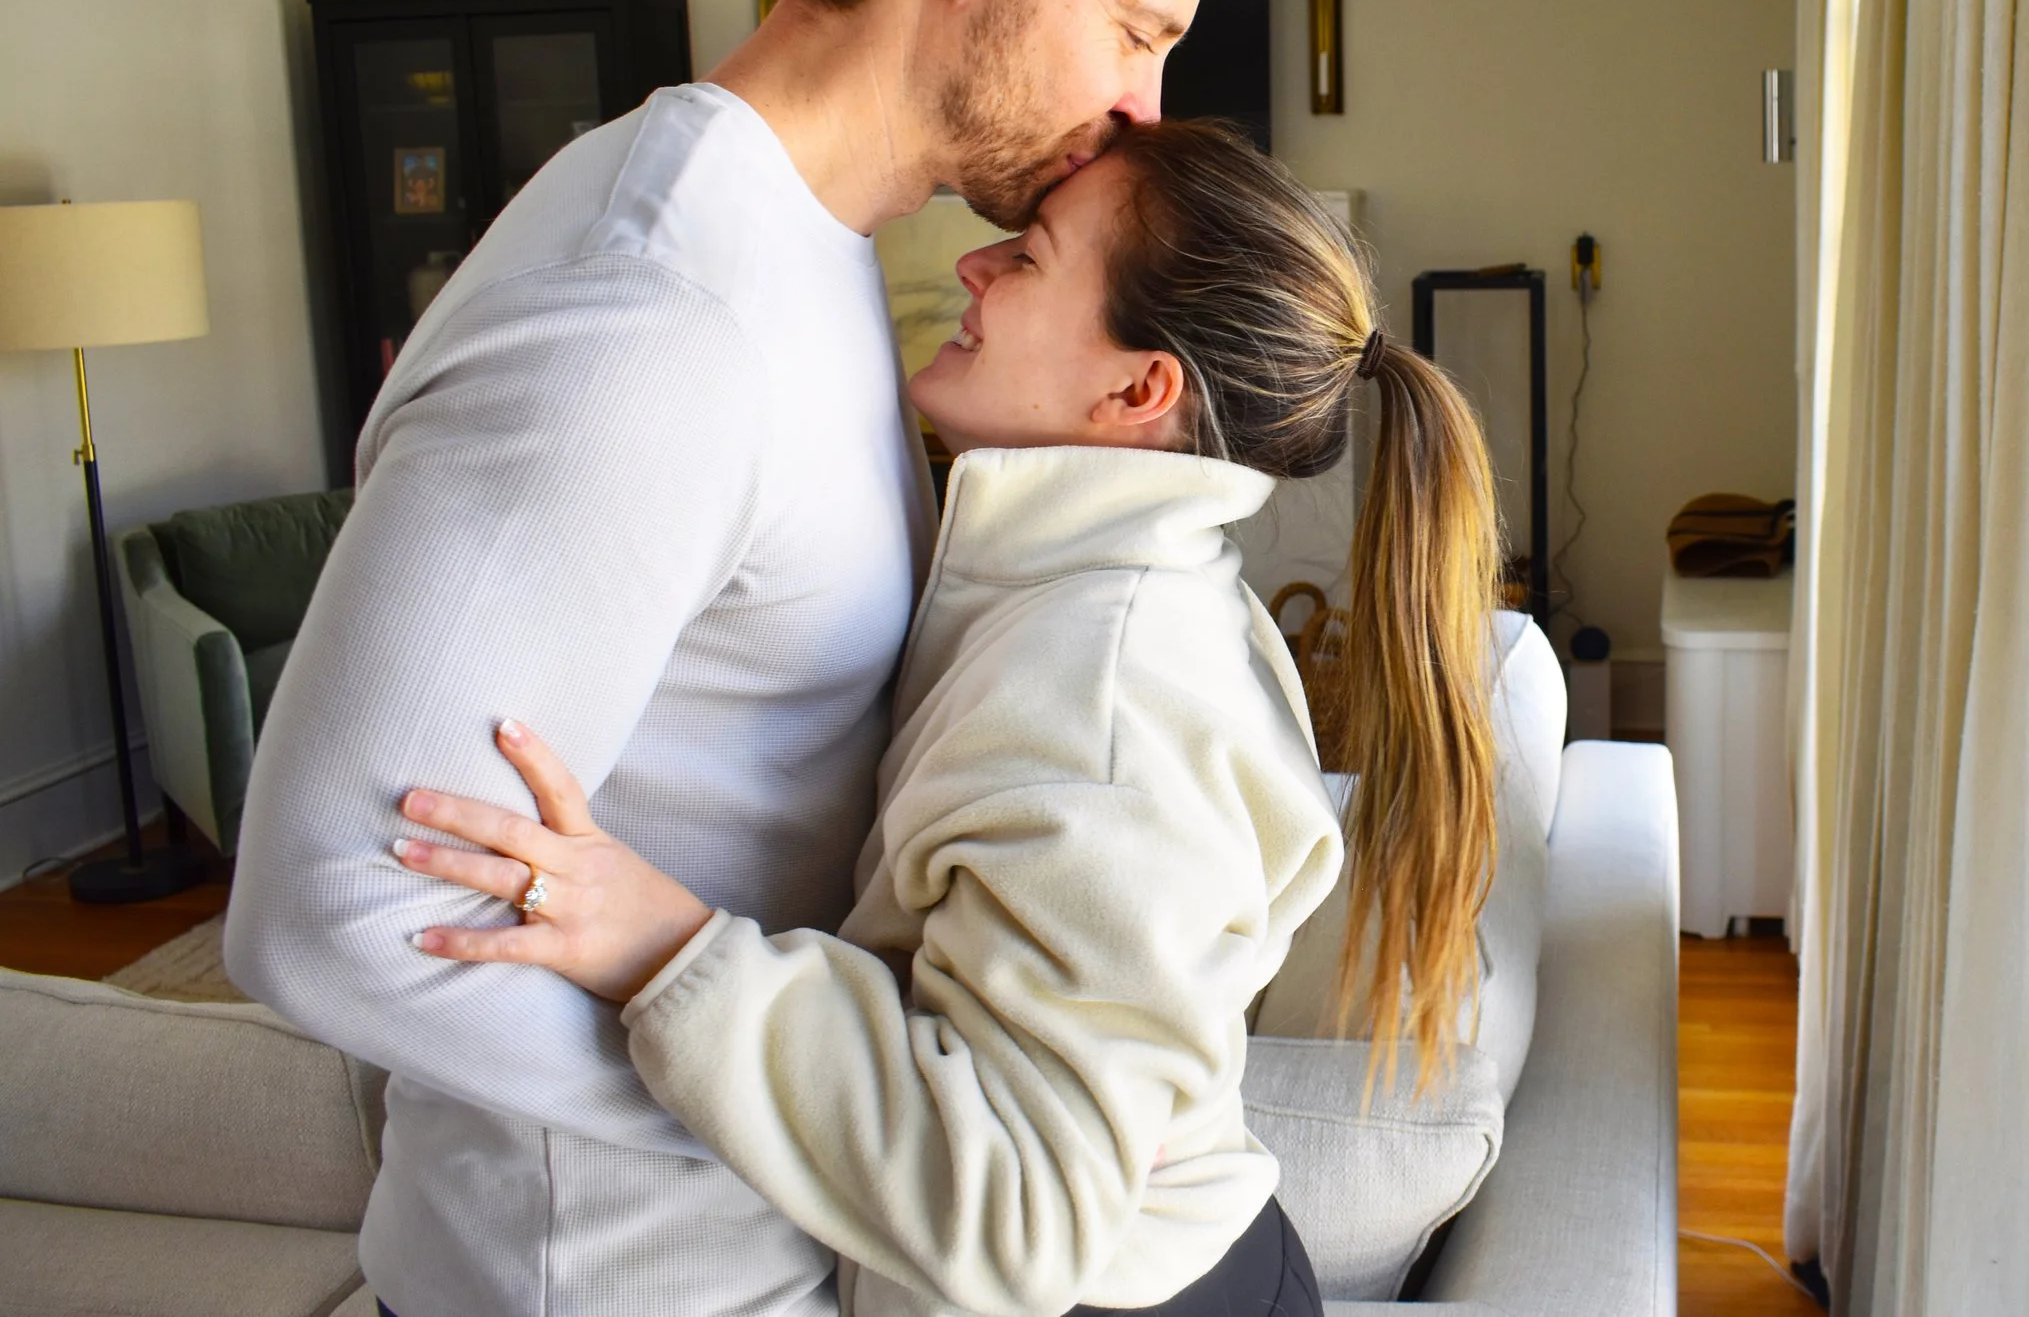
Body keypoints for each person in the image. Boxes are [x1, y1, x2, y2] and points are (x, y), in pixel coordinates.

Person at [223, 0, 1253, 1317]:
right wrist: (827, 1123)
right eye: (1138, 28)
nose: (1143, 103)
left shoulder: (808, 242)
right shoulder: (646, 319)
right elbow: (328, 907)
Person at [388, 121, 1504, 1317]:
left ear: (1138, 387)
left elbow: (1028, 1212)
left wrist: (669, 950)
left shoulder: (1105, 693)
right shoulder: (1072, 592)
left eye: (1028, 256)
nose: (973, 268)